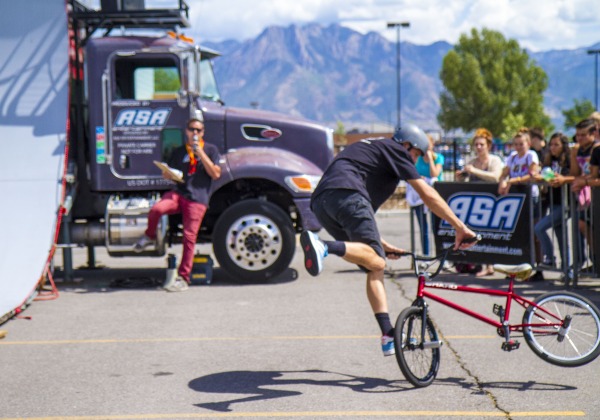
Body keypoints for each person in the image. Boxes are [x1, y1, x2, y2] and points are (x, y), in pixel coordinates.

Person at [299, 124, 477, 357]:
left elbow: (360, 218)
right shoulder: (396, 150)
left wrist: (381, 245)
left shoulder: (373, 152)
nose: (414, 162)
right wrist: (460, 227)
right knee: (376, 261)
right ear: (407, 145)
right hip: (347, 192)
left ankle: (388, 333)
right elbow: (427, 195)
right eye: (416, 154)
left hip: (322, 203)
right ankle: (323, 246)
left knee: (375, 263)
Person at [134, 118, 221, 292]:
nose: (194, 133)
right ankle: (149, 235)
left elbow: (215, 174)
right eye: (191, 129)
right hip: (179, 193)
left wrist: (200, 154)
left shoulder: (211, 150)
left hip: (197, 199)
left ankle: (183, 277)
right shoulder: (179, 151)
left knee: (189, 238)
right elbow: (174, 173)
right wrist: (168, 174)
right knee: (157, 209)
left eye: (198, 130)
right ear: (186, 131)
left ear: (203, 133)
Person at [455, 128, 503, 276]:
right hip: (478, 204)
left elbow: (496, 177)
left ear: (488, 145)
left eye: (482, 144)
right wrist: (461, 176)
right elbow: (465, 180)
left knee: (493, 234)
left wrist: (474, 171)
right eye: (476, 144)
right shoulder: (472, 162)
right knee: (479, 235)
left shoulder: (495, 160)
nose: (479, 147)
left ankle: (491, 266)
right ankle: (481, 265)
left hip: (494, 203)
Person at [498, 128, 542, 280]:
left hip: (531, 198)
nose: (518, 147)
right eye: (516, 144)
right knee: (519, 234)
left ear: (528, 143)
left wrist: (512, 181)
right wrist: (503, 181)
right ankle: (518, 268)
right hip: (517, 199)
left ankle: (538, 267)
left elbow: (532, 175)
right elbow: (504, 173)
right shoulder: (512, 157)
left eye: (521, 144)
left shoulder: (531, 155)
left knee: (533, 233)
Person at [533, 133, 570, 270]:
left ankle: (550, 258)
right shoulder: (548, 159)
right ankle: (566, 269)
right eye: (551, 144)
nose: (553, 148)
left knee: (539, 228)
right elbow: (544, 175)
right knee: (561, 236)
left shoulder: (567, 159)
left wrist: (559, 178)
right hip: (553, 202)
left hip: (566, 202)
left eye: (556, 144)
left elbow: (569, 176)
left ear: (563, 146)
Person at [569, 118, 599, 268]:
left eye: (583, 135)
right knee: (582, 224)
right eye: (577, 135)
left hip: (594, 191)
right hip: (586, 194)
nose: (579, 138)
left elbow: (594, 175)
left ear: (593, 133)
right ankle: (595, 259)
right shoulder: (577, 149)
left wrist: (585, 181)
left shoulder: (596, 148)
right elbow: (575, 173)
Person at [406, 135, 444, 256]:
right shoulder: (418, 159)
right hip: (420, 196)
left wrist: (431, 160)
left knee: (436, 227)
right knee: (423, 228)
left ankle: (440, 255)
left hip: (435, 195)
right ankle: (425, 255)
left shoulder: (439, 158)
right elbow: (411, 174)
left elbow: (435, 174)